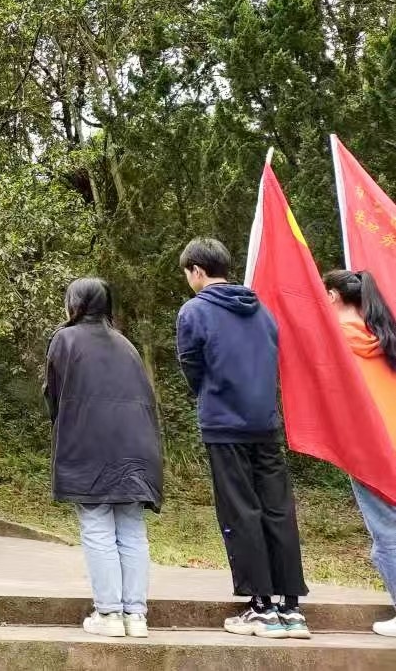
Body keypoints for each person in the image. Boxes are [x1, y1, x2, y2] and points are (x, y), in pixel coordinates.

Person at [176, 237, 309, 639]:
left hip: (224, 424)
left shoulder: (194, 311)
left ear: (197, 271)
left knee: (241, 512)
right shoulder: (262, 310)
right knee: (277, 509)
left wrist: (210, 395)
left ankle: (261, 608)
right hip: (266, 423)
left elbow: (192, 367)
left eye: (187, 273)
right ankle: (291, 608)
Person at [46, 277, 162, 639]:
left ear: (75, 304)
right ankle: (135, 614)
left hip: (89, 444)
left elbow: (54, 394)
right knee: (131, 528)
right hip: (137, 446)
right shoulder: (126, 344)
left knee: (97, 524)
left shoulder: (65, 339)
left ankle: (109, 613)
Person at [323, 269, 396, 637]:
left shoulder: (337, 342)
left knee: (387, 536)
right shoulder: (384, 337)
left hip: (373, 453)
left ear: (334, 296)